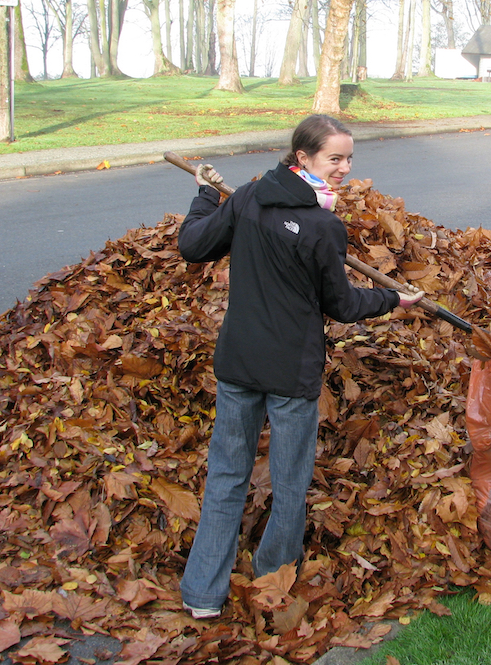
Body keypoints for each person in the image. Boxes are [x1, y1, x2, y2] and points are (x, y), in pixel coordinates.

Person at [176, 114, 424, 619]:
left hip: (239, 364)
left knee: (226, 474)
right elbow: (342, 305)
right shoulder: (323, 226)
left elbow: (193, 244)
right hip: (291, 373)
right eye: (335, 158)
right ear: (303, 158)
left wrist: (206, 194)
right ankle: (272, 579)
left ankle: (202, 593)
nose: (345, 168)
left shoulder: (246, 198)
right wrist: (392, 300)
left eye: (350, 158)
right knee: (289, 484)